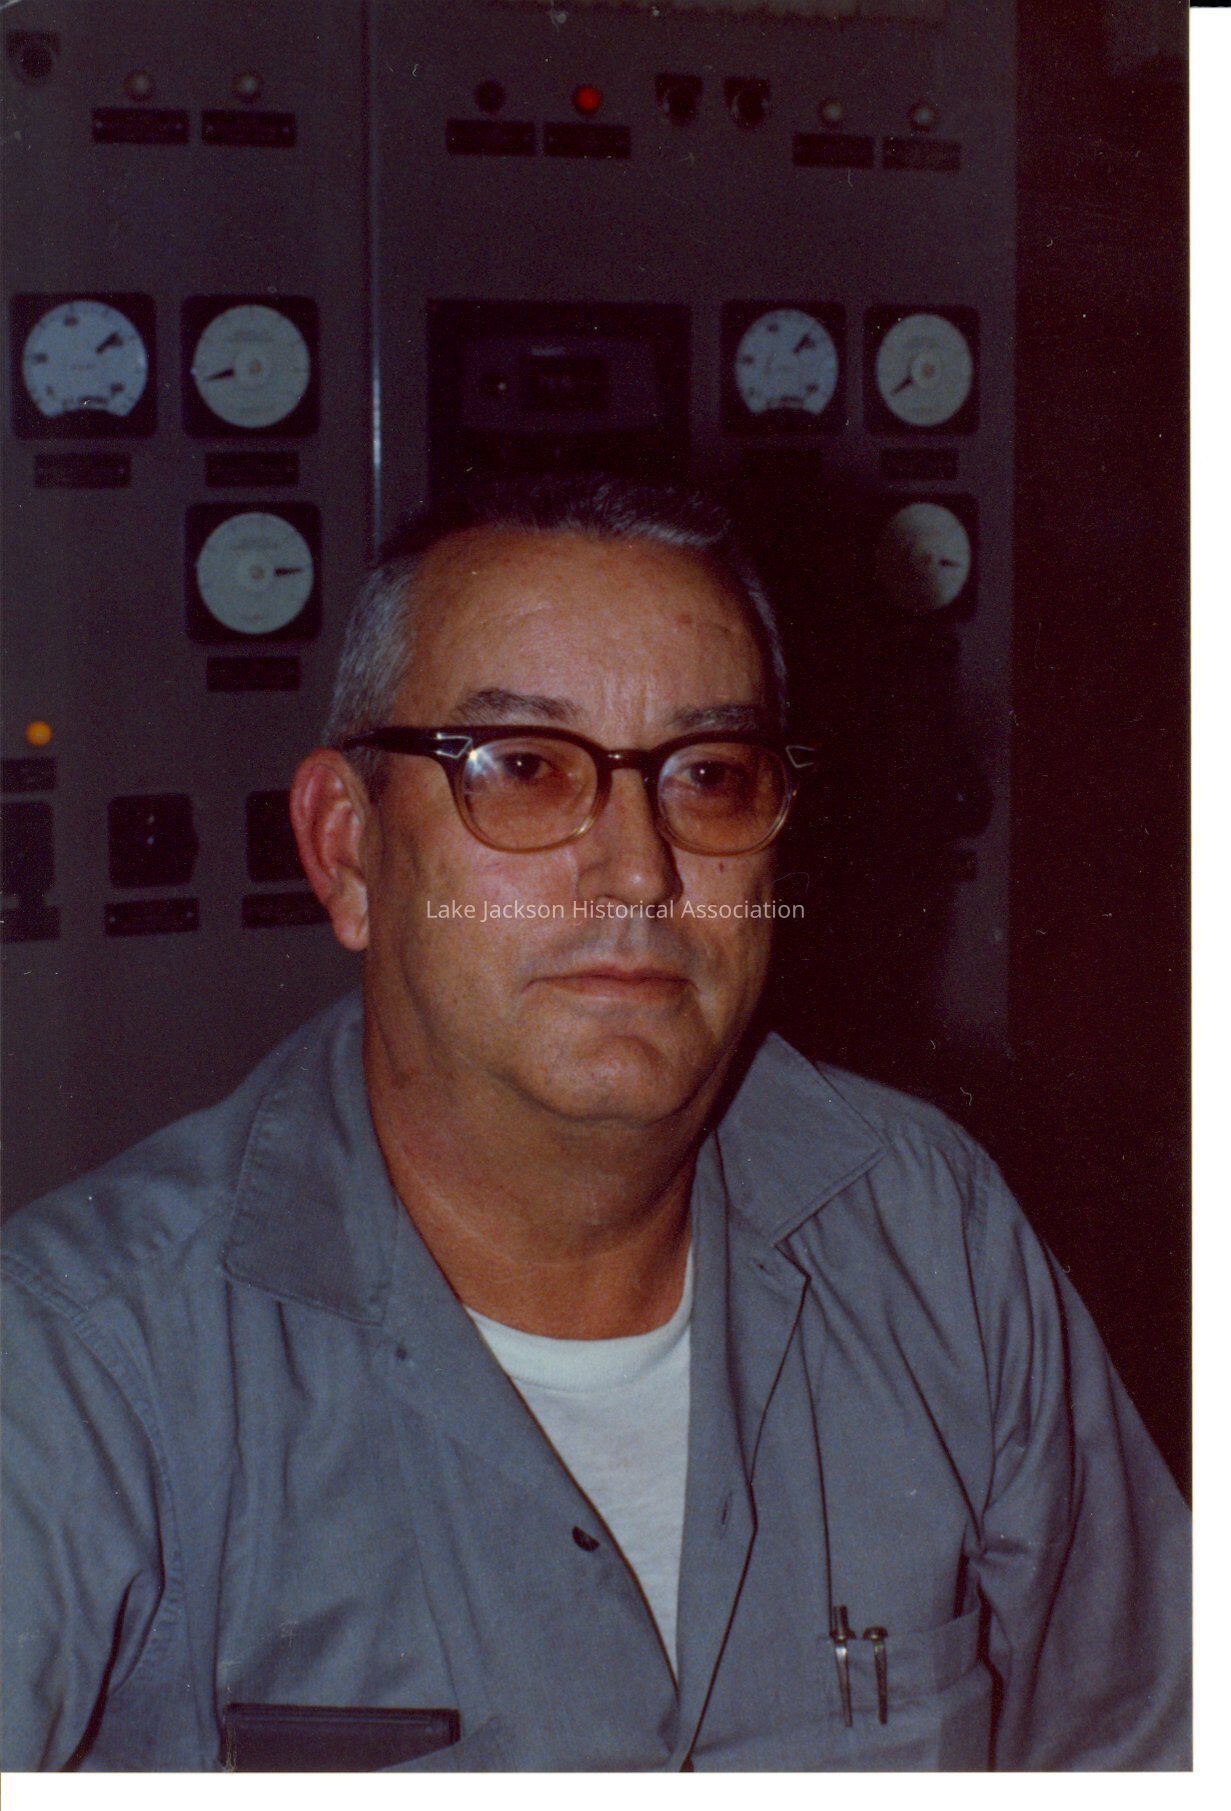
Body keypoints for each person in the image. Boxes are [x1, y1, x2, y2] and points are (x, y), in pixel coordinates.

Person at [1, 475, 1189, 1772]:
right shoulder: (82, 1365)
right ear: (348, 850)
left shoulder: (931, 1238)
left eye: (710, 776)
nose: (638, 870)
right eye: (521, 768)